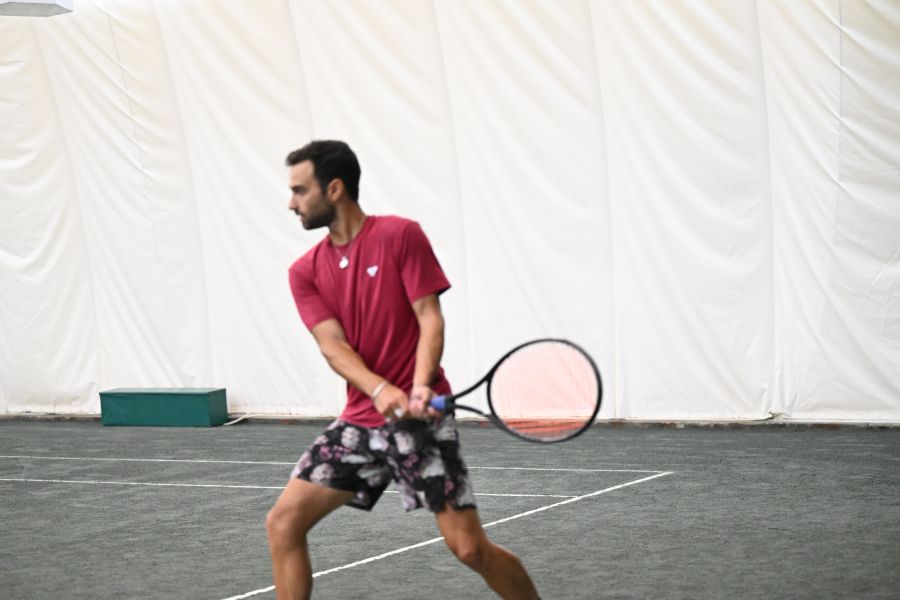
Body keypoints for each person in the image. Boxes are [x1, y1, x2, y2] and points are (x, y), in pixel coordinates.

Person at [266, 140, 540, 600]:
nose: (291, 203)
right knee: (282, 523)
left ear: (334, 189)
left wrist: (418, 386)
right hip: (359, 425)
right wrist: (379, 390)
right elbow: (332, 346)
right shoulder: (304, 271)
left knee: (470, 549)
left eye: (299, 190)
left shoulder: (400, 236)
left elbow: (429, 316)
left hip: (420, 422)